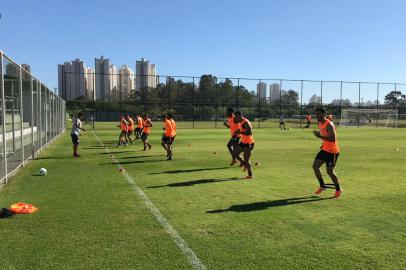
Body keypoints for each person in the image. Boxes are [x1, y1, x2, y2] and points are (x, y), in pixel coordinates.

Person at [312, 107, 342, 198]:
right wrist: (323, 143)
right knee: (315, 166)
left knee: (330, 171)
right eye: (316, 114)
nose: (317, 116)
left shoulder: (329, 124)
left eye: (319, 114)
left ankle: (338, 189)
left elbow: (333, 139)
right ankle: (322, 185)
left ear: (324, 114)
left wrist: (320, 137)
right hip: (325, 149)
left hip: (332, 151)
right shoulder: (320, 123)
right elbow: (326, 136)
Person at [233, 111, 255, 179]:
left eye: (236, 117)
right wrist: (238, 131)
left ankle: (250, 175)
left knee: (246, 159)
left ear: (240, 115)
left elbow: (250, 132)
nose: (236, 118)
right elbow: (244, 130)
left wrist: (239, 132)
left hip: (248, 143)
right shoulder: (241, 122)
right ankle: (244, 163)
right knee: (235, 153)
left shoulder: (245, 122)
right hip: (243, 142)